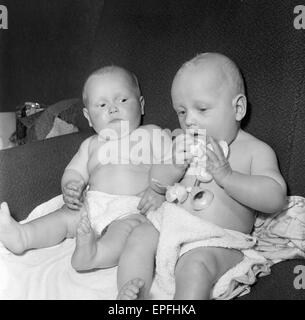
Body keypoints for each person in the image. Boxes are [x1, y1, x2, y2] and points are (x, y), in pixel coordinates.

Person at [116, 52, 287, 300]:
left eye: (202, 108)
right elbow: (157, 181)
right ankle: (130, 294)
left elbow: (275, 197)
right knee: (138, 236)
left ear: (238, 108)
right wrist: (173, 166)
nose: (190, 120)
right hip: (171, 226)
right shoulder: (181, 145)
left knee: (195, 267)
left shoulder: (254, 151)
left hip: (216, 240)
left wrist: (227, 176)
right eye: (182, 112)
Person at [0, 65, 182, 271]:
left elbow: (172, 162)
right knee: (64, 217)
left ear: (140, 105)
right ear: (88, 117)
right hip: (91, 204)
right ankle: (23, 236)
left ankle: (94, 255)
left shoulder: (151, 134)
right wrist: (71, 186)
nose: (112, 108)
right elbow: (74, 171)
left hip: (132, 207)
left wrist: (159, 191)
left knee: (127, 233)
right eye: (102, 104)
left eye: (122, 100)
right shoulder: (90, 144)